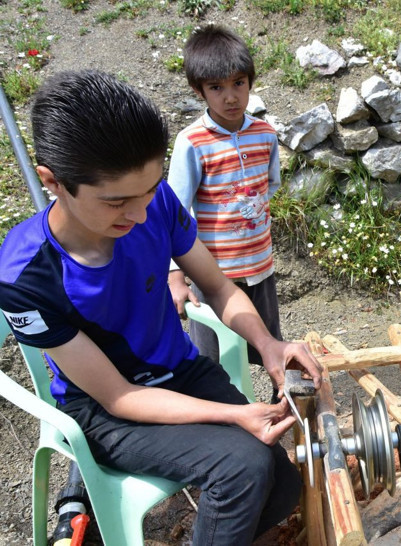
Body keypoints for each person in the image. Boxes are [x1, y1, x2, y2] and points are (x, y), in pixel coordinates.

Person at [0, 69, 322, 546]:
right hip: (106, 410)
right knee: (243, 466)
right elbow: (118, 397)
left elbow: (218, 287)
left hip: (180, 369)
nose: (139, 213)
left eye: (149, 190)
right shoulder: (26, 275)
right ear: (54, 182)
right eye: (116, 202)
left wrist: (269, 344)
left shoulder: (158, 203)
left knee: (283, 488)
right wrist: (233, 416)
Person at [167, 24, 283, 366]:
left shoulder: (265, 134)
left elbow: (269, 185)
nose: (230, 97)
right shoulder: (192, 142)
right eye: (216, 87)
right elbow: (174, 211)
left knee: (270, 347)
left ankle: (282, 397)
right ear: (198, 90)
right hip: (212, 275)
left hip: (260, 267)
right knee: (211, 360)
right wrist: (175, 274)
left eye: (238, 83)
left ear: (250, 81)